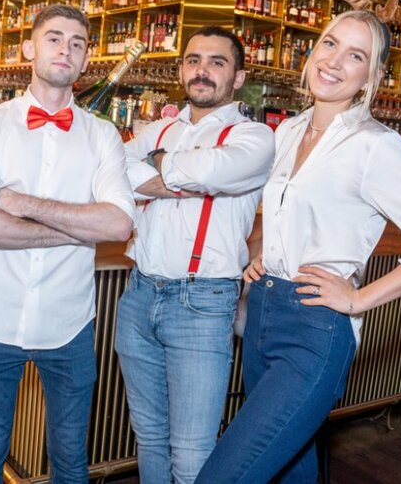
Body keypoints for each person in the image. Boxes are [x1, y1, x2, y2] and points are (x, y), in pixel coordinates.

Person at [195, 9, 401, 484]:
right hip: (262, 314)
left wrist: (358, 298)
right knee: (290, 472)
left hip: (315, 327)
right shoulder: (286, 132)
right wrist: (263, 255)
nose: (335, 61)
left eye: (355, 55)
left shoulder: (374, 145)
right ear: (310, 52)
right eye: (329, 44)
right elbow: (286, 213)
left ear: (371, 77)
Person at [0, 4, 135, 483]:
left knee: (71, 459)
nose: (66, 49)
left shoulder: (103, 134)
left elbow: (118, 225)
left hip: (70, 322)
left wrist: (22, 203)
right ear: (28, 48)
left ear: (85, 61)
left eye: (77, 43)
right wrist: (76, 226)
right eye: (54, 38)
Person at [114, 26, 275, 484]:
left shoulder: (255, 137)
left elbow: (214, 169)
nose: (201, 70)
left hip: (203, 303)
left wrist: (157, 169)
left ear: (238, 77)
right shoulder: (157, 128)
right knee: (147, 434)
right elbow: (109, 169)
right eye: (193, 60)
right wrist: (187, 180)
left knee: (192, 451)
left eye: (217, 62)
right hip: (139, 293)